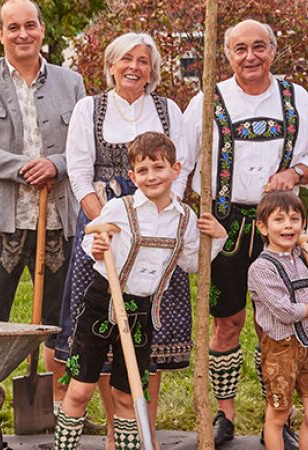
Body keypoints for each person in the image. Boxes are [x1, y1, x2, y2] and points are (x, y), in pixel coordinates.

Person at [184, 19, 308, 448]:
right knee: (227, 321)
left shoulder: (295, 98)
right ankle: (224, 415)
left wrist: (295, 171)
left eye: (259, 47)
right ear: (227, 55)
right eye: (240, 49)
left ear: (273, 50)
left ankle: (277, 414)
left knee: (280, 324)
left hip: (281, 229)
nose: (251, 57)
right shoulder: (208, 101)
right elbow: (183, 161)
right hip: (225, 225)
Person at [56, 32, 192, 447]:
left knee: (146, 335)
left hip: (159, 235)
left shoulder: (168, 110)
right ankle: (113, 431)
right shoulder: (89, 108)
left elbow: (180, 173)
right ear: (111, 65)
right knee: (100, 333)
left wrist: (158, 218)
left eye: (143, 60)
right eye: (126, 59)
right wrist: (113, 222)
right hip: (106, 227)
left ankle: (137, 431)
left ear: (152, 69)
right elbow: (79, 171)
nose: (135, 67)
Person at [53, 132, 226, 449]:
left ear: (176, 170)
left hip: (142, 311)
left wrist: (218, 236)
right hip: (102, 303)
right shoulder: (121, 207)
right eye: (143, 171)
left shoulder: (184, 219)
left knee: (127, 393)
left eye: (158, 168)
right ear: (132, 176)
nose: (151, 177)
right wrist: (99, 245)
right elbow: (92, 240)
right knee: (80, 389)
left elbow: (191, 263)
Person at [0, 0, 84, 406]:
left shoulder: (72, 82)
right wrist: (24, 168)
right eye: (13, 27)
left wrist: (56, 164)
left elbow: (84, 147)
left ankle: (59, 410)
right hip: (0, 220)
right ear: (0, 34)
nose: (22, 34)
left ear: (42, 29)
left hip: (58, 220)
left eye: (30, 25)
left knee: (59, 322)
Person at [248, 191, 308, 450]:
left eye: (294, 219)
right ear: (263, 227)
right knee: (279, 414)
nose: (288, 225)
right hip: (280, 349)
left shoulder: (302, 258)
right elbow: (284, 311)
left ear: (303, 223)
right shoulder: (261, 268)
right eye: (279, 220)